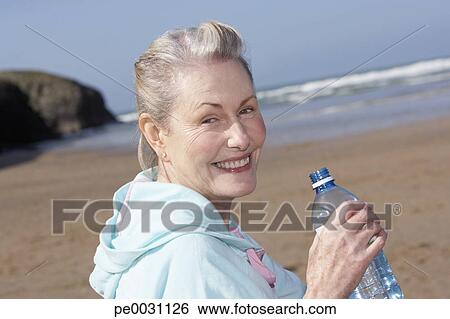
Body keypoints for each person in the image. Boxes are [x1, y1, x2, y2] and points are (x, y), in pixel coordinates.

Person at [89, 21, 387, 298]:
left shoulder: (199, 225)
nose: (241, 138)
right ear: (156, 134)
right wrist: (325, 291)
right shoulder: (190, 254)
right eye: (209, 119)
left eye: (246, 110)